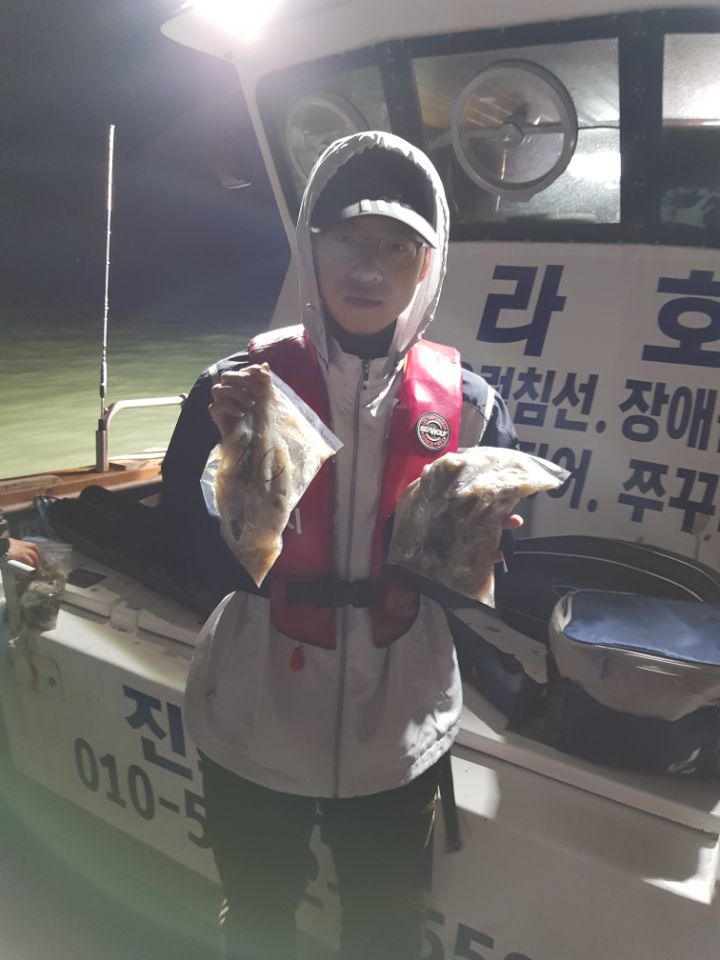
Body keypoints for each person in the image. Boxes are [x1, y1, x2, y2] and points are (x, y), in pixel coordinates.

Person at [161, 131, 520, 960]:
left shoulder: (470, 406)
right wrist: (229, 482)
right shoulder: (233, 389)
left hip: (400, 725)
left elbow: (483, 582)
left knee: (385, 930)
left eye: (398, 247)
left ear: (428, 264)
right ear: (310, 245)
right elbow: (179, 550)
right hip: (251, 713)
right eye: (347, 240)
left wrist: (483, 552)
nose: (369, 269)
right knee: (256, 918)